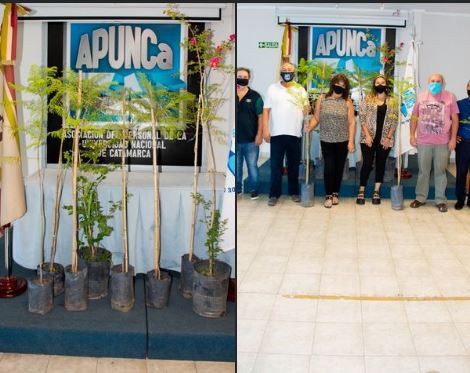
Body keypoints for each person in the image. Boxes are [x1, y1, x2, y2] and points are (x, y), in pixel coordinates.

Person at [409, 73, 459, 212]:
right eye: (433, 81)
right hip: (423, 142)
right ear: (428, 82)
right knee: (423, 171)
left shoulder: (450, 97)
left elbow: (455, 119)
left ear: (443, 83)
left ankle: (440, 200)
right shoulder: (421, 97)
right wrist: (412, 135)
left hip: (442, 142)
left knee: (440, 171)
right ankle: (420, 198)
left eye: (438, 81)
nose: (435, 83)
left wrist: (453, 138)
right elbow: (414, 117)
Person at [263, 62, 309, 207]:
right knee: (275, 166)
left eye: (290, 69)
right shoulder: (272, 88)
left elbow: (306, 108)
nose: (287, 71)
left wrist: (307, 109)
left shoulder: (300, 89)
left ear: (294, 72)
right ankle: (273, 194)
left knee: (294, 165)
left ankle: (294, 192)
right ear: (280, 72)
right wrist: (265, 129)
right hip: (277, 133)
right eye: (284, 69)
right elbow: (266, 111)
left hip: (294, 133)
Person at [305, 74, 356, 208]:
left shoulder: (347, 102)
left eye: (343, 86)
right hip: (326, 140)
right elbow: (316, 118)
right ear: (332, 84)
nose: (340, 87)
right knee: (329, 167)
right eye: (338, 84)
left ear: (346, 88)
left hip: (342, 140)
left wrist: (351, 141)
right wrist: (310, 126)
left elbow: (351, 123)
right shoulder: (322, 99)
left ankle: (335, 193)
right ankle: (328, 195)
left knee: (339, 169)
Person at [357, 75, 398, 205]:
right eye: (377, 82)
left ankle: (376, 191)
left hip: (385, 139)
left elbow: (394, 121)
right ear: (374, 85)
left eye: (382, 82)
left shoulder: (392, 101)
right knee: (367, 163)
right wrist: (368, 135)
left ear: (386, 85)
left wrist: (388, 138)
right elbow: (362, 118)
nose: (380, 84)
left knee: (381, 163)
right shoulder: (368, 99)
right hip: (368, 138)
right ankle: (361, 190)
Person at [236, 67, 263, 199]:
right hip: (235, 140)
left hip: (251, 140)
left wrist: (259, 135)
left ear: (249, 78)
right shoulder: (231, 95)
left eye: (244, 77)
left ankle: (254, 190)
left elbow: (261, 117)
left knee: (252, 166)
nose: (242, 79)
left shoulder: (255, 96)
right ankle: (237, 189)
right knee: (237, 166)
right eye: (239, 76)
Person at [455, 79, 470, 209]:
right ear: (467, 87)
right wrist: (453, 136)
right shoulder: (459, 104)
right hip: (463, 144)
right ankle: (460, 199)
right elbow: (451, 121)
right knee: (461, 173)